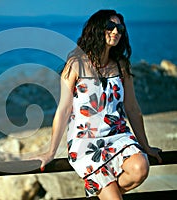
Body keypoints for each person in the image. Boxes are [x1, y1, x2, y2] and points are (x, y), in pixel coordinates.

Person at [33, 9, 162, 200]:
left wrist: (146, 146)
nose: (116, 31)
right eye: (110, 26)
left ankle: (96, 191)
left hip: (118, 136)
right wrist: (51, 152)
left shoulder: (121, 65)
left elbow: (132, 108)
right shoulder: (75, 65)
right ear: (96, 30)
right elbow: (63, 110)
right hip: (86, 142)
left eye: (120, 28)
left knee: (141, 168)